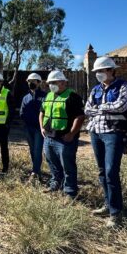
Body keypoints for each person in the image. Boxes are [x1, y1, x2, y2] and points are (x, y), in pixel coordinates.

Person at [84, 56, 127, 228]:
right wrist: (102, 108)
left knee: (111, 171)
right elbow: (87, 109)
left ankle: (116, 213)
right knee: (102, 171)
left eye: (102, 70)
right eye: (97, 71)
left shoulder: (123, 86)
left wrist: (100, 108)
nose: (99, 74)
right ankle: (108, 204)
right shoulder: (95, 89)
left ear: (112, 70)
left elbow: (122, 106)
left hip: (114, 132)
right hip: (95, 131)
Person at [39, 70, 85, 199]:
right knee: (52, 162)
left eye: (54, 82)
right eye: (50, 83)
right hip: (48, 137)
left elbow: (80, 117)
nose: (51, 85)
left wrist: (71, 133)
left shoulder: (72, 97)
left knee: (68, 165)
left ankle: (70, 192)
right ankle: (55, 184)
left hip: (65, 139)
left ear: (63, 82)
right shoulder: (48, 96)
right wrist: (42, 127)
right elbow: (42, 112)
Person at [19, 73, 46, 180]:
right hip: (28, 128)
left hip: (39, 129)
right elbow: (22, 112)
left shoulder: (44, 96)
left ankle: (35, 172)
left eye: (34, 81)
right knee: (32, 149)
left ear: (39, 83)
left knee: (37, 150)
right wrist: (26, 122)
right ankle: (36, 171)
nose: (31, 83)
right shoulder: (25, 98)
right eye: (29, 81)